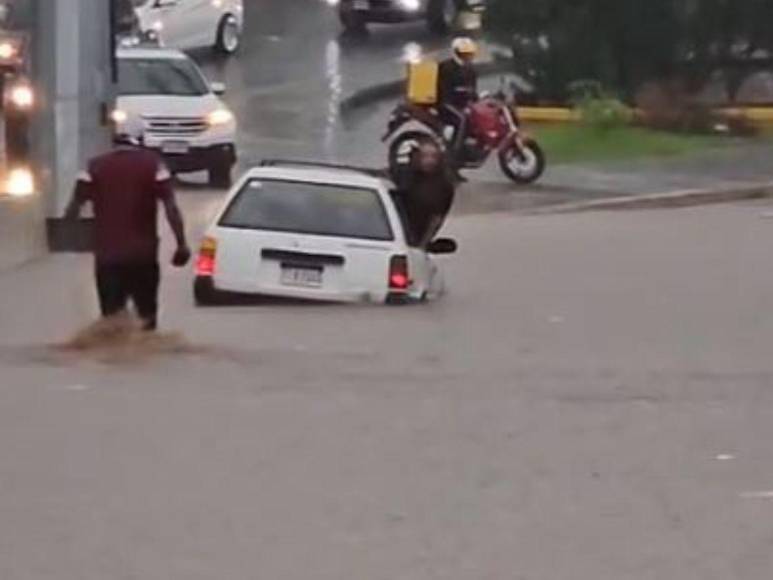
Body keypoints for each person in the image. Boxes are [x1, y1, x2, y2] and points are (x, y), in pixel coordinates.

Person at [65, 121, 191, 331]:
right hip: (143, 256)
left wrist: (73, 241)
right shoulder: (154, 166)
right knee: (147, 321)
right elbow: (171, 208)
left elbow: (73, 209)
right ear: (141, 139)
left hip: (107, 258)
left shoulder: (93, 166)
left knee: (111, 321)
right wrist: (181, 244)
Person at [392, 138, 456, 248]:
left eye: (433, 157)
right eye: (425, 156)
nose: (429, 161)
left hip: (416, 236)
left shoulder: (444, 186)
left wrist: (422, 245)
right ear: (417, 157)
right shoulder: (402, 176)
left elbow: (436, 219)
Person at [437, 36, 479, 163]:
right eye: (464, 54)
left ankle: (470, 148)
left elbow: (472, 89)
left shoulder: (471, 70)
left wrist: (476, 98)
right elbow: (444, 89)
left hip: (461, 103)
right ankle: (455, 154)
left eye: (469, 54)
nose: (467, 57)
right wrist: (461, 91)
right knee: (462, 119)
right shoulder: (446, 67)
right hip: (446, 103)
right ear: (457, 53)